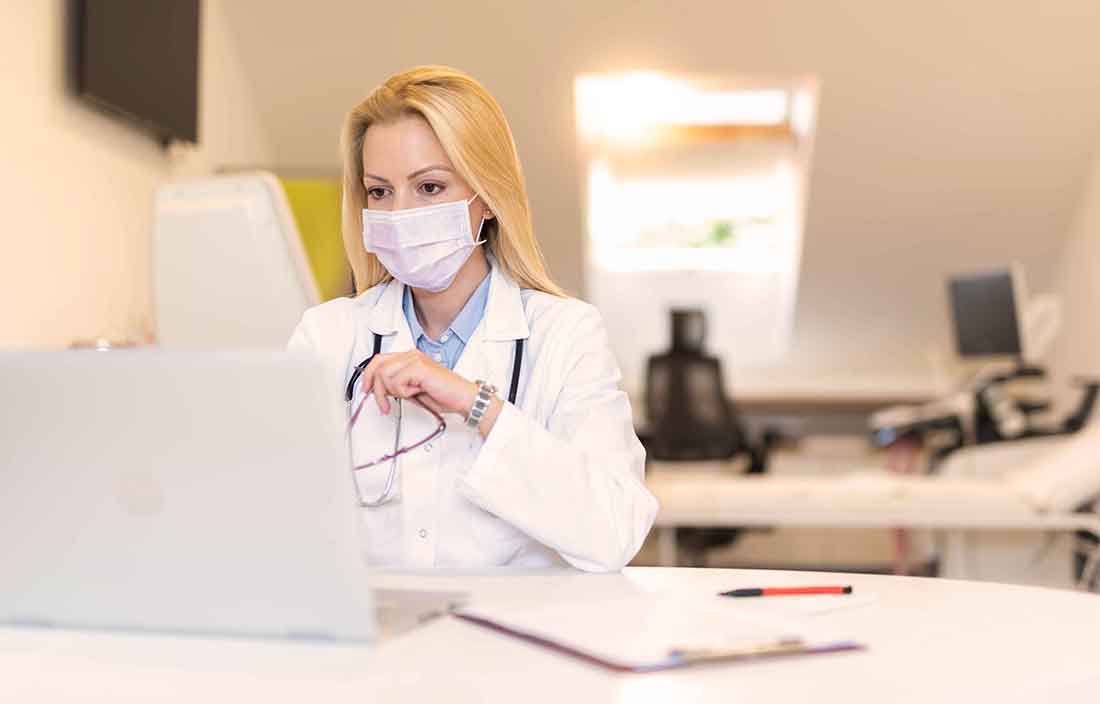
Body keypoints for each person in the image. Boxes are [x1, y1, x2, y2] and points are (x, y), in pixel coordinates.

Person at [288, 65, 657, 572]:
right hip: (379, 643)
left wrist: (474, 403)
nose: (399, 213)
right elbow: (281, 523)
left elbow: (615, 531)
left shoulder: (565, 334)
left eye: (430, 188)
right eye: (379, 192)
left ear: (485, 195)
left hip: (511, 644)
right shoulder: (328, 337)